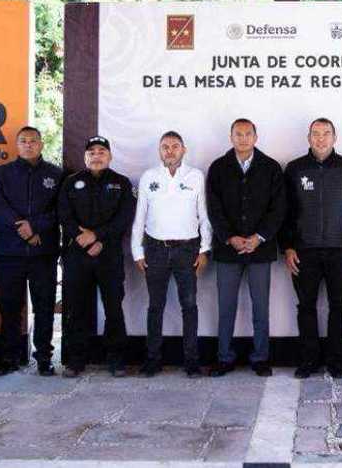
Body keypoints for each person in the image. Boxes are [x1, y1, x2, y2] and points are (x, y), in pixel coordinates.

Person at [281, 118, 342, 379]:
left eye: (326, 134)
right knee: (305, 306)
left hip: (340, 251)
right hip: (303, 251)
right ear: (308, 138)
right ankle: (308, 361)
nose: (321, 138)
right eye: (316, 134)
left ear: (334, 138)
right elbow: (284, 212)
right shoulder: (295, 169)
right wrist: (287, 247)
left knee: (339, 306)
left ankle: (335, 361)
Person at [206, 118, 285, 377]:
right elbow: (213, 209)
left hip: (259, 249)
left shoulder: (271, 167)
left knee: (260, 306)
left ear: (255, 137)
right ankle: (224, 357)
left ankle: (261, 357)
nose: (243, 138)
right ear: (231, 137)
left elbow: (278, 208)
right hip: (228, 250)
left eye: (247, 134)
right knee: (226, 306)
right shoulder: (218, 167)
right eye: (238, 134)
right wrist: (230, 237)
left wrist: (259, 237)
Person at [131, 131, 211, 377]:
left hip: (187, 249)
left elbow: (203, 215)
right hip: (155, 249)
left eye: (175, 146)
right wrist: (137, 251)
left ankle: (191, 361)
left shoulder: (195, 176)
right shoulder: (149, 177)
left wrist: (205, 249)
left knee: (189, 305)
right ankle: (153, 359)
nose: (170, 151)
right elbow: (140, 216)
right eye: (165, 147)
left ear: (183, 150)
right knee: (156, 306)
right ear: (160, 151)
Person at [57, 135, 135, 378]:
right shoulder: (71, 183)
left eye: (102, 151)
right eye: (92, 152)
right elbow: (64, 214)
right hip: (77, 254)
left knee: (113, 308)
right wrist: (82, 239)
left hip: (108, 254)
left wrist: (98, 238)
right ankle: (76, 360)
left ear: (109, 156)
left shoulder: (122, 183)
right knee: (76, 308)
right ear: (85, 157)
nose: (96, 155)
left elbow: (124, 218)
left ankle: (116, 360)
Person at [0, 126, 63, 377]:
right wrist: (22, 228)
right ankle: (9, 356)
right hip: (9, 253)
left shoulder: (56, 174)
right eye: (23, 141)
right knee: (9, 307)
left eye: (33, 141)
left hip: (43, 253)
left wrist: (36, 228)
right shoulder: (2, 173)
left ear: (41, 144)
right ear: (17, 145)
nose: (29, 145)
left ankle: (44, 357)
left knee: (44, 306)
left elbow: (61, 210)